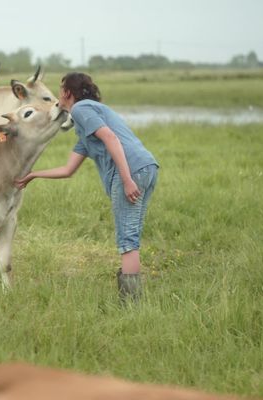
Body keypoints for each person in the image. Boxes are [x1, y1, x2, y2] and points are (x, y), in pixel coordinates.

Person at [14, 72, 159, 303]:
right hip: (147, 167)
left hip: (131, 172)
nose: (58, 96)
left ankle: (131, 306)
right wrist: (34, 175)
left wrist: (127, 179)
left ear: (68, 93)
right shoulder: (85, 129)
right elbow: (68, 170)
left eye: (60, 90)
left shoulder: (81, 109)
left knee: (127, 240)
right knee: (131, 235)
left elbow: (111, 138)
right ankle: (132, 299)